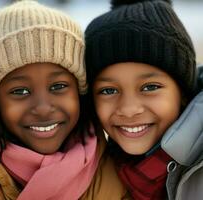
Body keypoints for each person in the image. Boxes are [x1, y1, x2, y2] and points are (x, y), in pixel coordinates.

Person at [0, 1, 127, 199]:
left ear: (79, 92)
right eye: (20, 91)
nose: (42, 108)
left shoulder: (114, 173)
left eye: (58, 87)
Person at [84, 0, 199, 199]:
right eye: (109, 90)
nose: (129, 109)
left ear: (182, 92)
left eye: (150, 87)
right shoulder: (100, 173)